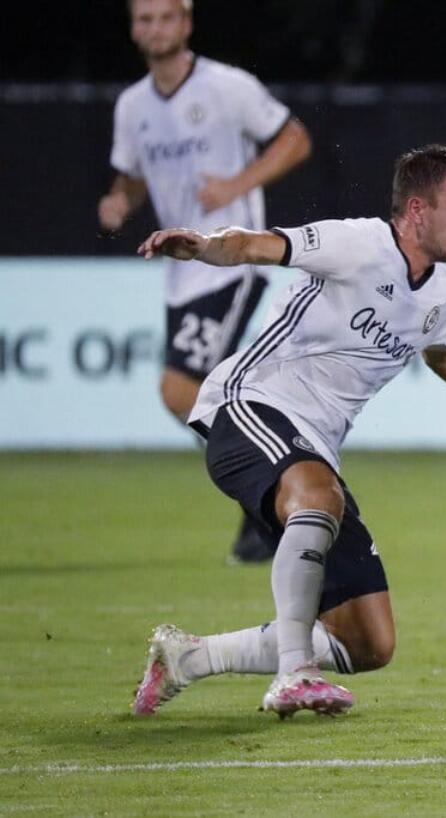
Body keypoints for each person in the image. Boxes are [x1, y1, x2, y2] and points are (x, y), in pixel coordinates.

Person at [131, 145, 446, 718]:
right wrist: (207, 248)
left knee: (368, 641)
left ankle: (190, 659)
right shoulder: (358, 243)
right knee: (319, 496)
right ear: (416, 209)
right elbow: (259, 244)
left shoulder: (442, 292)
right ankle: (293, 673)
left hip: (313, 447)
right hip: (251, 403)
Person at [98, 0, 313, 564]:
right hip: (180, 273)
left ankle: (278, 486)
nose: (155, 28)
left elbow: (295, 139)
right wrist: (122, 199)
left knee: (179, 389)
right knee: (203, 394)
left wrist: (237, 183)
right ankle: (270, 493)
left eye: (166, 17)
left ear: (186, 22)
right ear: (133, 29)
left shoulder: (226, 86)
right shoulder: (133, 106)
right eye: (144, 19)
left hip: (230, 258)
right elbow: (135, 175)